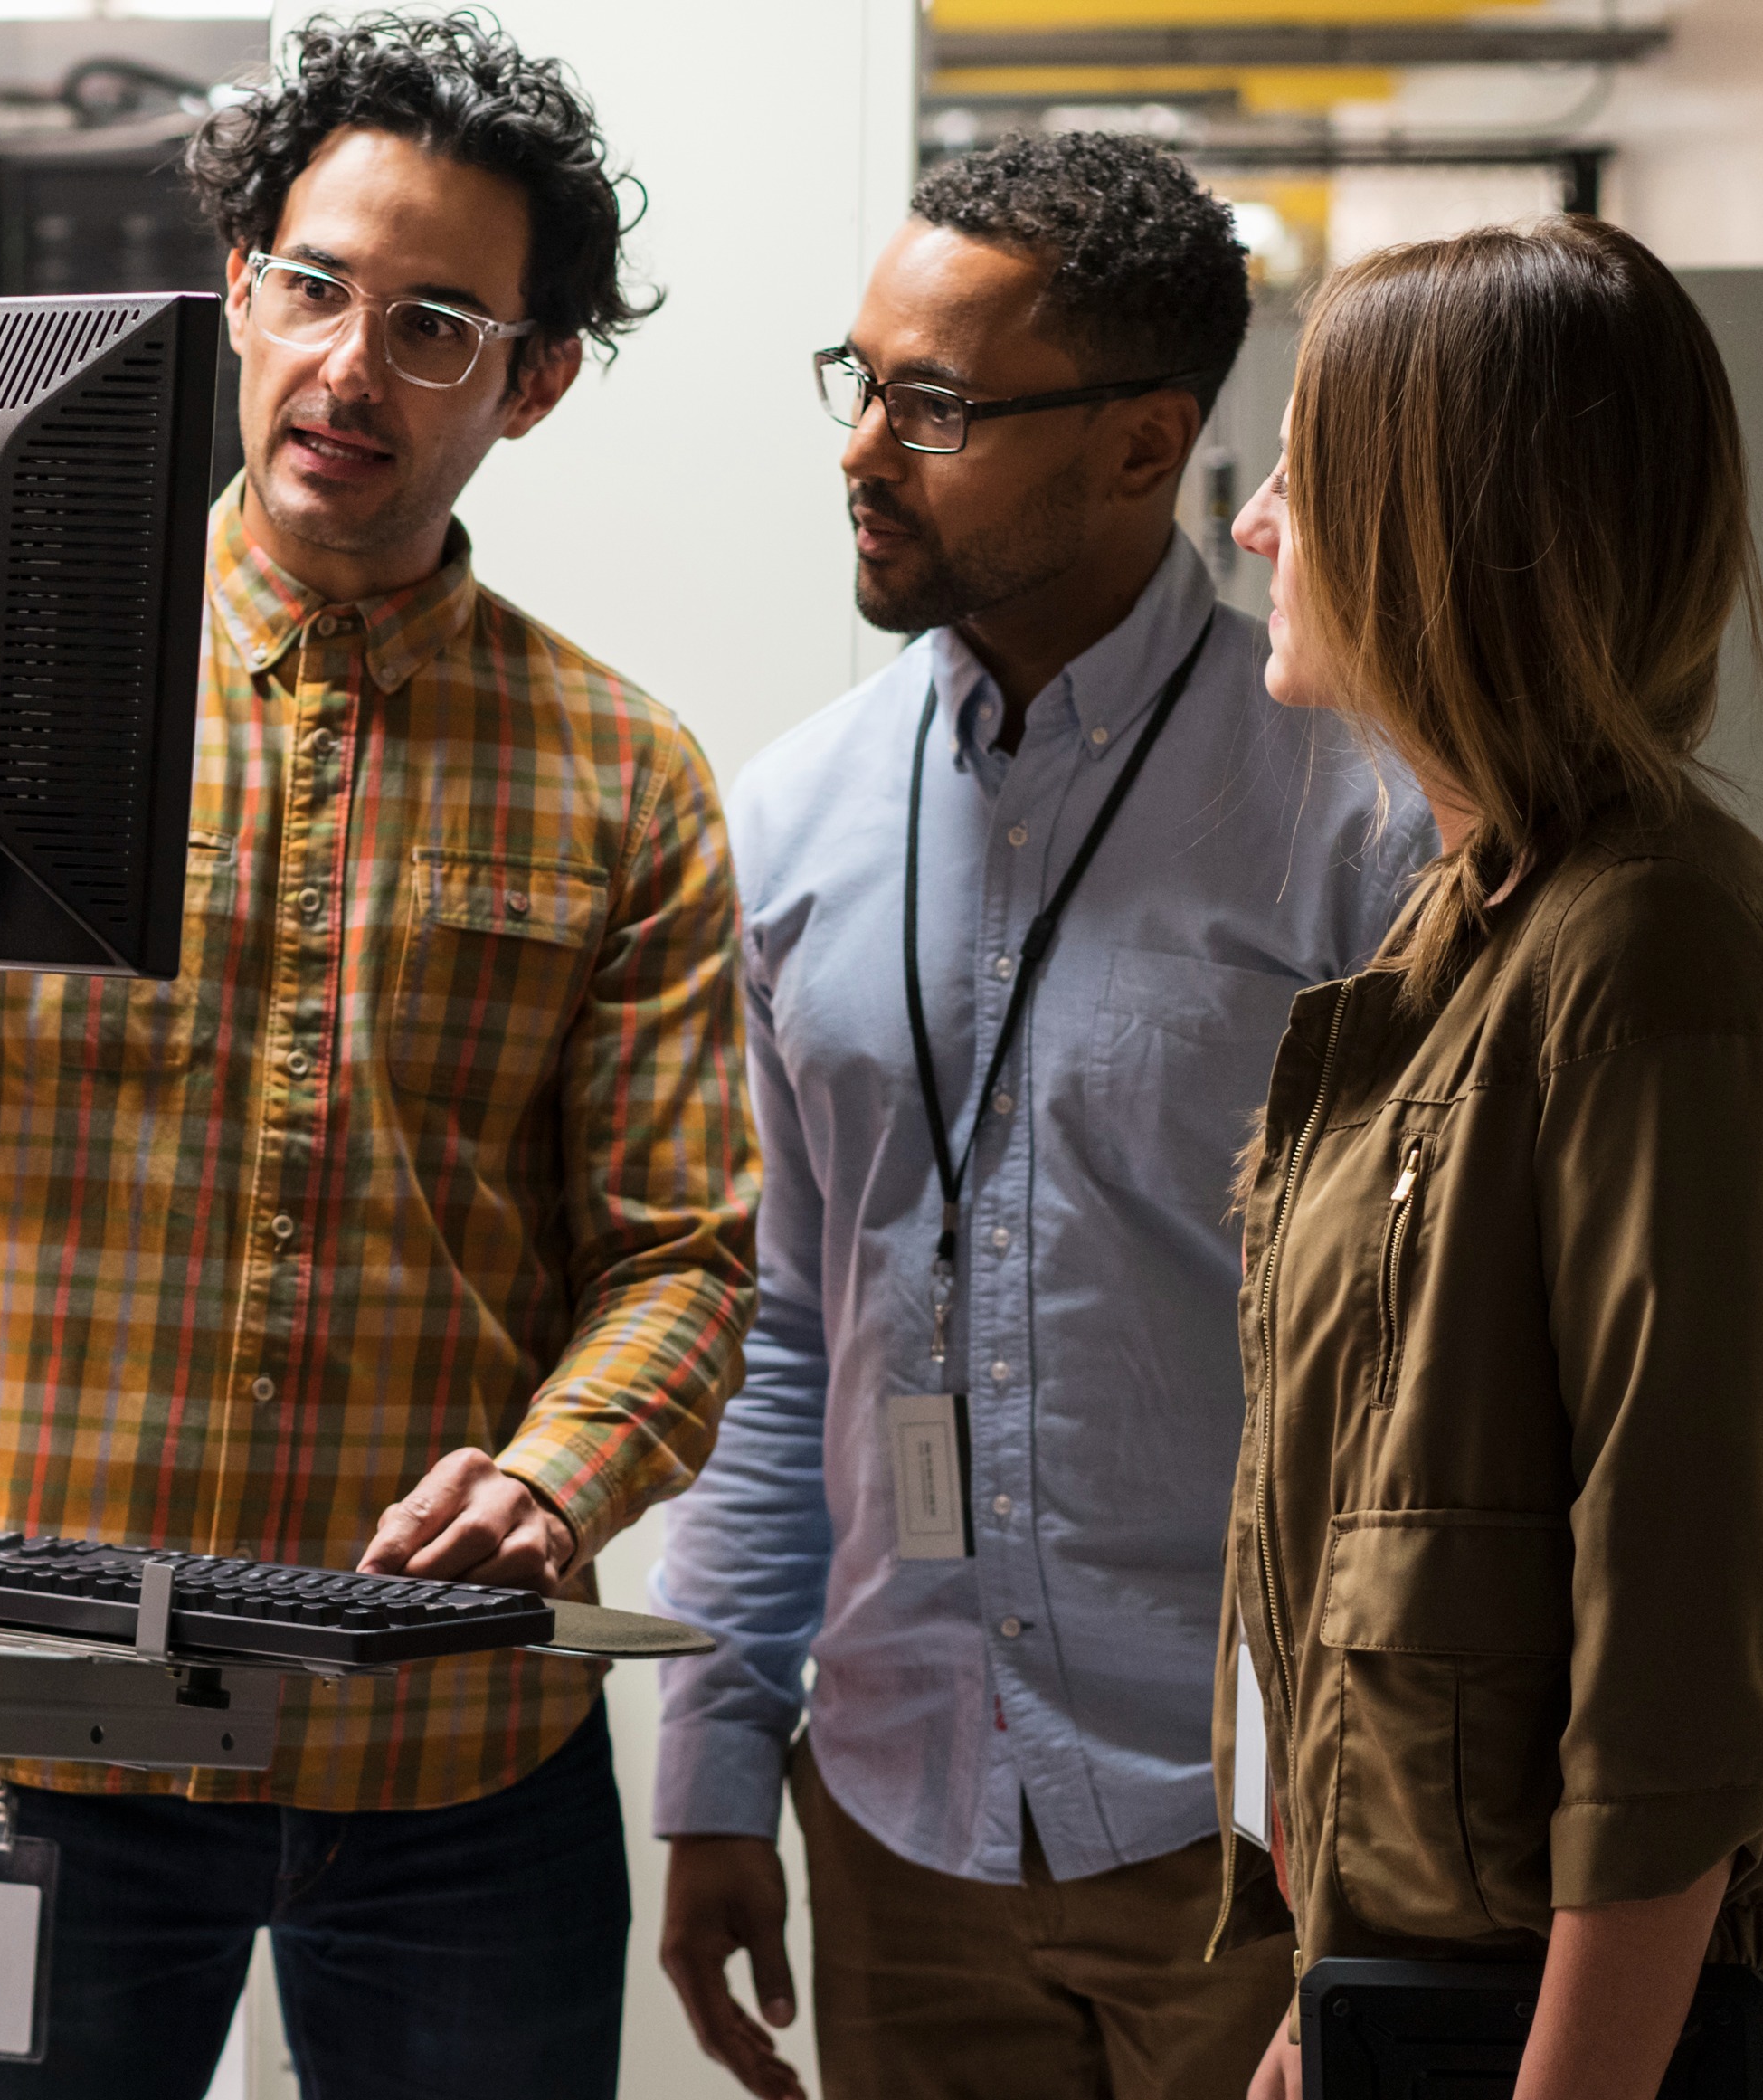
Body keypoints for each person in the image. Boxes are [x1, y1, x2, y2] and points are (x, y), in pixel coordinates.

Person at [0, 14, 751, 2093]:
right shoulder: (9, 675)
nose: (350, 364)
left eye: (436, 322)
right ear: (232, 297)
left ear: (532, 382)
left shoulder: (624, 773)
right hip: (41, 1709)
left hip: (449, 1749)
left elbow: (683, 1259)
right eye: (311, 287)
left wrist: (554, 1480)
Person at [646, 134, 1430, 2100]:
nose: (860, 451)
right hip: (901, 1824)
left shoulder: (1355, 818)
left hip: (1250, 1837)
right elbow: (777, 1332)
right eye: (858, 385)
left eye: (933, 408)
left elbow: (1434, 1374)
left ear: (1137, 442)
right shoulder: (794, 819)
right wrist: (715, 1766)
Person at [1220, 215, 1763, 2100]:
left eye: (1300, 475)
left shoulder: (1645, 959)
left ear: (1435, 525)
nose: (1258, 527)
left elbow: (1679, 1662)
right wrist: (1316, 1992)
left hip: (1604, 2034)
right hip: (1436, 1992)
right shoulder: (1483, 932)